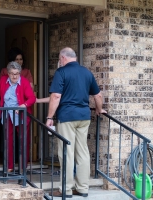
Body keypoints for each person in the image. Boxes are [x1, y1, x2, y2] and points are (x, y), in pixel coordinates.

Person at [46, 47, 107, 198]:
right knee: (82, 152)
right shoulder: (86, 72)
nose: (60, 62)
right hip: (84, 117)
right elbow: (98, 95)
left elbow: (55, 97)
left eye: (60, 59)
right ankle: (82, 188)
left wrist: (49, 117)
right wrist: (99, 109)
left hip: (67, 117)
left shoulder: (62, 72)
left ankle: (65, 190)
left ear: (63, 58)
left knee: (67, 153)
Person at [0, 61, 36, 172]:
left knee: (23, 141)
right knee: (8, 140)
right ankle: (9, 166)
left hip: (21, 115)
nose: (15, 76)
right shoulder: (3, 80)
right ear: (8, 73)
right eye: (12, 73)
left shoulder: (25, 82)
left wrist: (23, 105)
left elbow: (32, 98)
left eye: (17, 73)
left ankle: (23, 167)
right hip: (8, 114)